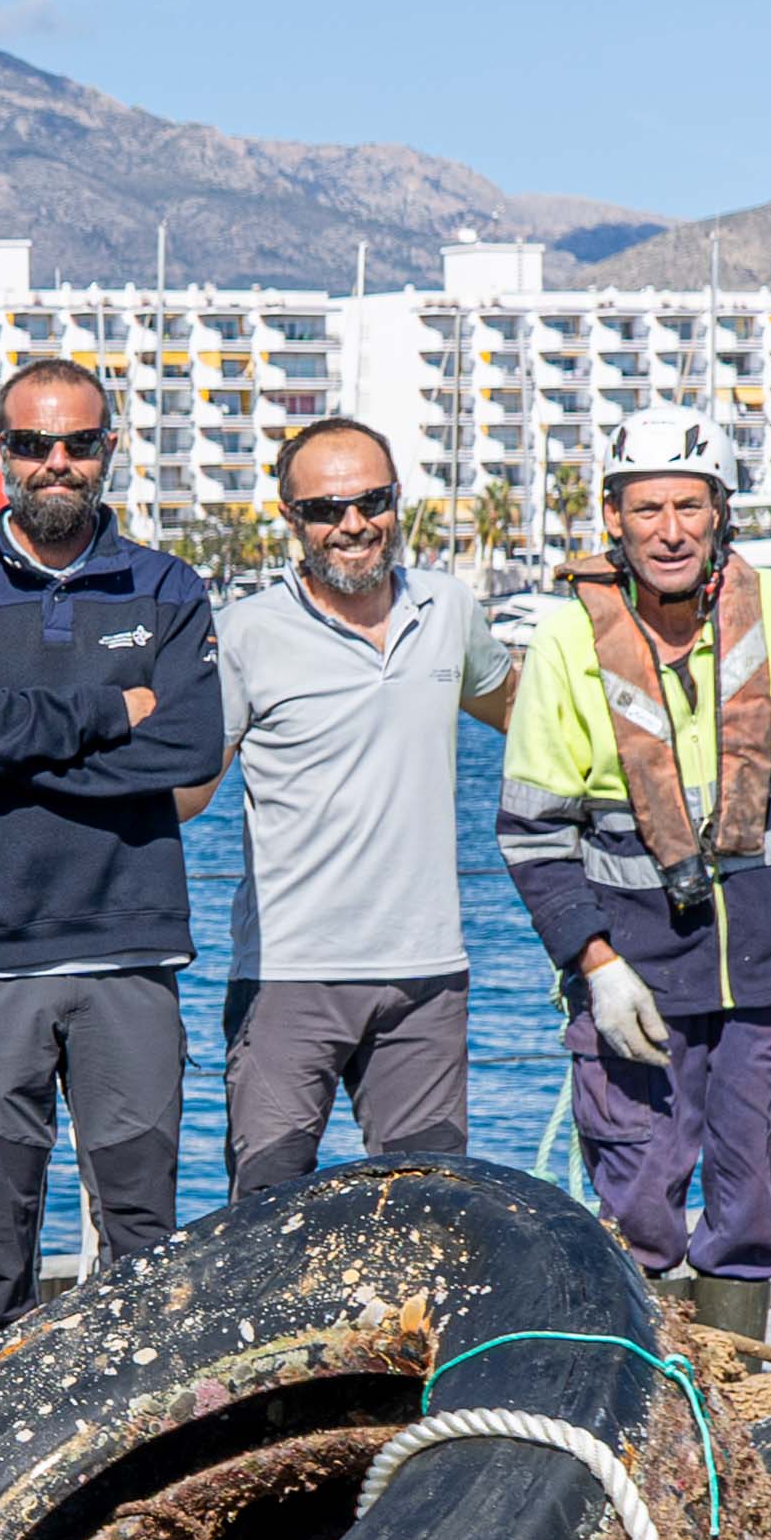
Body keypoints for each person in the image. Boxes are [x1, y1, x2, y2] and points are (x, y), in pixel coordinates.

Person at [496, 407, 771, 1338]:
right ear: (613, 519)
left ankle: (730, 1410)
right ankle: (650, 1407)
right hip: (632, 977)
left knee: (751, 1201)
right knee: (637, 1204)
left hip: (761, 975)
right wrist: (595, 965)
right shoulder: (564, 641)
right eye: (645, 508)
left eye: (687, 505)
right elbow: (530, 833)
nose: (668, 529)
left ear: (720, 513)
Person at [0, 356, 221, 1339]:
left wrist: (9, 724)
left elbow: (190, 745)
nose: (56, 462)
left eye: (78, 443)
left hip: (130, 947)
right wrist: (109, 714)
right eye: (33, 443)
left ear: (107, 450)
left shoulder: (166, 587)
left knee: (144, 1234)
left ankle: (144, 1444)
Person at [209, 416, 516, 1203]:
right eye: (324, 508)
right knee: (267, 1222)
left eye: (371, 500)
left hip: (426, 976)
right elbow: (184, 787)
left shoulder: (448, 609)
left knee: (431, 1216)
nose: (351, 524)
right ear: (291, 519)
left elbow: (527, 717)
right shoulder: (244, 633)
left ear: (396, 501)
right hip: (286, 977)